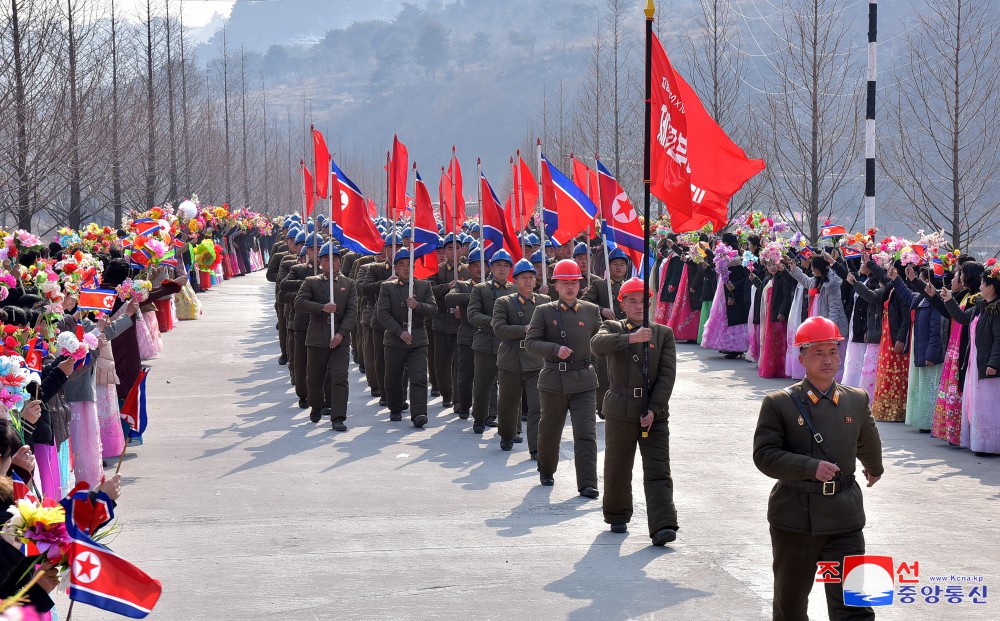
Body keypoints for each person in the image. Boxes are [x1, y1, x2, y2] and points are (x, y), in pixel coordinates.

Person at [753, 316, 884, 621]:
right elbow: (764, 455)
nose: (828, 360)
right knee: (791, 604)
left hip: (845, 516)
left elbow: (867, 439)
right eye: (818, 353)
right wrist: (809, 467)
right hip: (796, 516)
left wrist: (874, 468)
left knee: (856, 604)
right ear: (802, 358)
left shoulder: (856, 398)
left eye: (833, 352)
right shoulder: (779, 403)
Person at [591, 277, 679, 545]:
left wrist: (654, 409)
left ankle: (663, 524)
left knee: (658, 468)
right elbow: (597, 345)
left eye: (643, 301)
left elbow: (667, 376)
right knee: (617, 466)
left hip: (653, 413)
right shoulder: (612, 327)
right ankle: (617, 515)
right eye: (632, 301)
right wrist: (631, 337)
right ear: (622, 304)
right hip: (620, 409)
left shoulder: (662, 333)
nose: (639, 306)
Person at [525, 259, 602, 498]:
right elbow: (530, 343)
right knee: (550, 431)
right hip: (554, 380)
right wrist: (554, 349)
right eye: (564, 283)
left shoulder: (591, 310)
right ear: (555, 285)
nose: (570, 287)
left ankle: (587, 483)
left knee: (586, 433)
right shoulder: (544, 311)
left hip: (584, 380)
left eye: (574, 283)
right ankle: (546, 470)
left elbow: (600, 342)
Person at [295, 243, 358, 431]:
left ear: (340, 261)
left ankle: (338, 416)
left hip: (340, 340)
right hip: (317, 338)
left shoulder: (349, 284)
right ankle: (316, 405)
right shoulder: (311, 282)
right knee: (315, 378)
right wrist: (321, 307)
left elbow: (352, 312)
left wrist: (341, 334)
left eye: (336, 259)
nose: (332, 262)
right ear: (320, 261)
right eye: (327, 259)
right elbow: (300, 302)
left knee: (340, 377)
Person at [940, 259, 1000, 455]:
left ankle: (992, 444)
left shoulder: (997, 310)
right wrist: (949, 299)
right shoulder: (981, 305)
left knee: (991, 407)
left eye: (983, 284)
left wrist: (993, 363)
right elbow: (963, 318)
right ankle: (981, 443)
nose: (980, 287)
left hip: (989, 365)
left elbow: (999, 340)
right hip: (975, 362)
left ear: (991, 287)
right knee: (979, 406)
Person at [492, 259, 550, 455]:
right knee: (508, 403)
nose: (527, 281)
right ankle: (507, 435)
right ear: (515, 281)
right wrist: (524, 329)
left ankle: (535, 448)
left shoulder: (544, 302)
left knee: (537, 407)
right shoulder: (504, 302)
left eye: (531, 277)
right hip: (511, 361)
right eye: (523, 278)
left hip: (535, 362)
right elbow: (499, 329)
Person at [376, 248, 437, 428]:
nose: (405, 268)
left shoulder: (423, 286)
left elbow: (433, 309)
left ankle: (419, 413)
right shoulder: (387, 287)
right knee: (393, 377)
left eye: (409, 265)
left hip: (417, 338)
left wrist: (417, 305)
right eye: (401, 265)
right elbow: (383, 313)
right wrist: (399, 332)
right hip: (395, 339)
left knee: (419, 377)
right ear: (395, 268)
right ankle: (395, 408)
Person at [926, 261, 983, 445]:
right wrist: (934, 296)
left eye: (961, 273)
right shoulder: (965, 294)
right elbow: (947, 310)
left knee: (961, 388)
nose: (958, 277)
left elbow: (962, 317)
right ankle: (952, 431)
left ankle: (961, 432)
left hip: (964, 346)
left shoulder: (977, 298)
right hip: (954, 345)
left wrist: (949, 299)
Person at [468, 250, 514, 434]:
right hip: (486, 343)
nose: (502, 269)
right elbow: (472, 314)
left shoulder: (515, 289)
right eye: (498, 266)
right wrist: (491, 322)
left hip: (507, 344)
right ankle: (479, 418)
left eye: (505, 266)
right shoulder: (481, 289)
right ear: (491, 268)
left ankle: (502, 422)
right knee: (482, 384)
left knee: (508, 387)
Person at [444, 248, 484, 420]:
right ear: (469, 267)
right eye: (475, 265)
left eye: (482, 265)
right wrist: (473, 296)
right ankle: (462, 404)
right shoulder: (462, 285)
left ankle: (486, 411)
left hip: (487, 337)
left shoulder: (493, 286)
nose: (479, 269)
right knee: (465, 374)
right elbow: (449, 299)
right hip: (467, 335)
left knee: (486, 377)